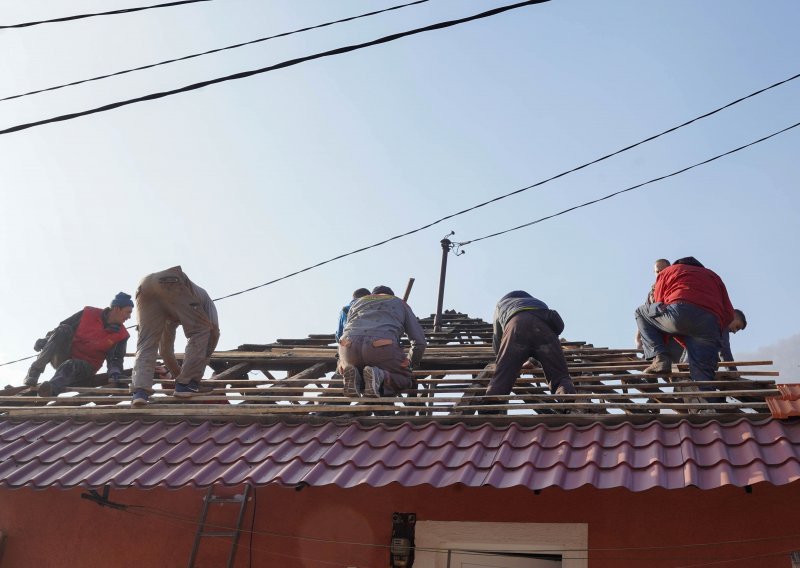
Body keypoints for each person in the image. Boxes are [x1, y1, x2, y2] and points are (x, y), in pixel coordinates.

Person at [634, 262, 738, 396]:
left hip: (680, 314)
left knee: (640, 312)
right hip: (710, 325)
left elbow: (660, 303)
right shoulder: (714, 276)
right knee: (704, 377)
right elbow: (728, 314)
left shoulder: (670, 271)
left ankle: (660, 358)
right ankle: (709, 409)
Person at [130, 266, 219, 407]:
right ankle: (188, 384)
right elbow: (213, 333)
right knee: (202, 330)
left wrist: (178, 376)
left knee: (146, 342)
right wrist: (188, 379)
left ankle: (140, 392)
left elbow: (165, 351)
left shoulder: (169, 314)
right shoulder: (204, 300)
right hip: (171, 281)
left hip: (144, 286)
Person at [485, 291, 579, 414]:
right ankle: (565, 395)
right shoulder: (539, 303)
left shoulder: (501, 304)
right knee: (559, 372)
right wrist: (533, 360)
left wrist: (504, 359)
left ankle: (491, 404)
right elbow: (540, 340)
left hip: (516, 325)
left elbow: (497, 337)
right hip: (545, 330)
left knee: (503, 373)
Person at [24, 292, 134, 397]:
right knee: (64, 329)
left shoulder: (121, 335)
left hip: (85, 368)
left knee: (73, 364)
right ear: (116, 308)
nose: (129, 317)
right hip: (64, 357)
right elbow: (63, 326)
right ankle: (34, 372)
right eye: (128, 312)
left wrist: (115, 373)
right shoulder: (88, 313)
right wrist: (47, 340)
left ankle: (51, 389)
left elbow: (115, 359)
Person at [337, 285, 426, 398]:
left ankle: (355, 376)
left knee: (356, 369)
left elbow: (345, 330)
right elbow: (419, 342)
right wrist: (410, 362)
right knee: (405, 378)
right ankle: (381, 375)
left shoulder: (357, 303)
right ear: (390, 295)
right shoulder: (399, 303)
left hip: (347, 346)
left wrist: (341, 362)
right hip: (380, 346)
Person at [635, 259, 671, 349]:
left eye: (662, 270)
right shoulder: (652, 292)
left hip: (674, 331)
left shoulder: (674, 284)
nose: (659, 274)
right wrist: (638, 338)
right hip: (658, 334)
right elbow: (644, 314)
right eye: (657, 272)